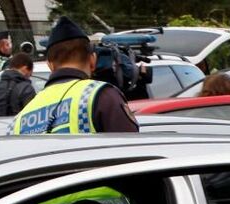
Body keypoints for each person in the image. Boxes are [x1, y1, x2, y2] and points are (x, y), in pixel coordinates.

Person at [10, 16, 138, 134]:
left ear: (50, 65)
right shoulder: (101, 96)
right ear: (93, 60)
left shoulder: (19, 121)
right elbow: (132, 150)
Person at [0, 52, 37, 117]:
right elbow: (33, 117)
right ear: (25, 68)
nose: (31, 75)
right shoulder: (26, 89)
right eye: (30, 73)